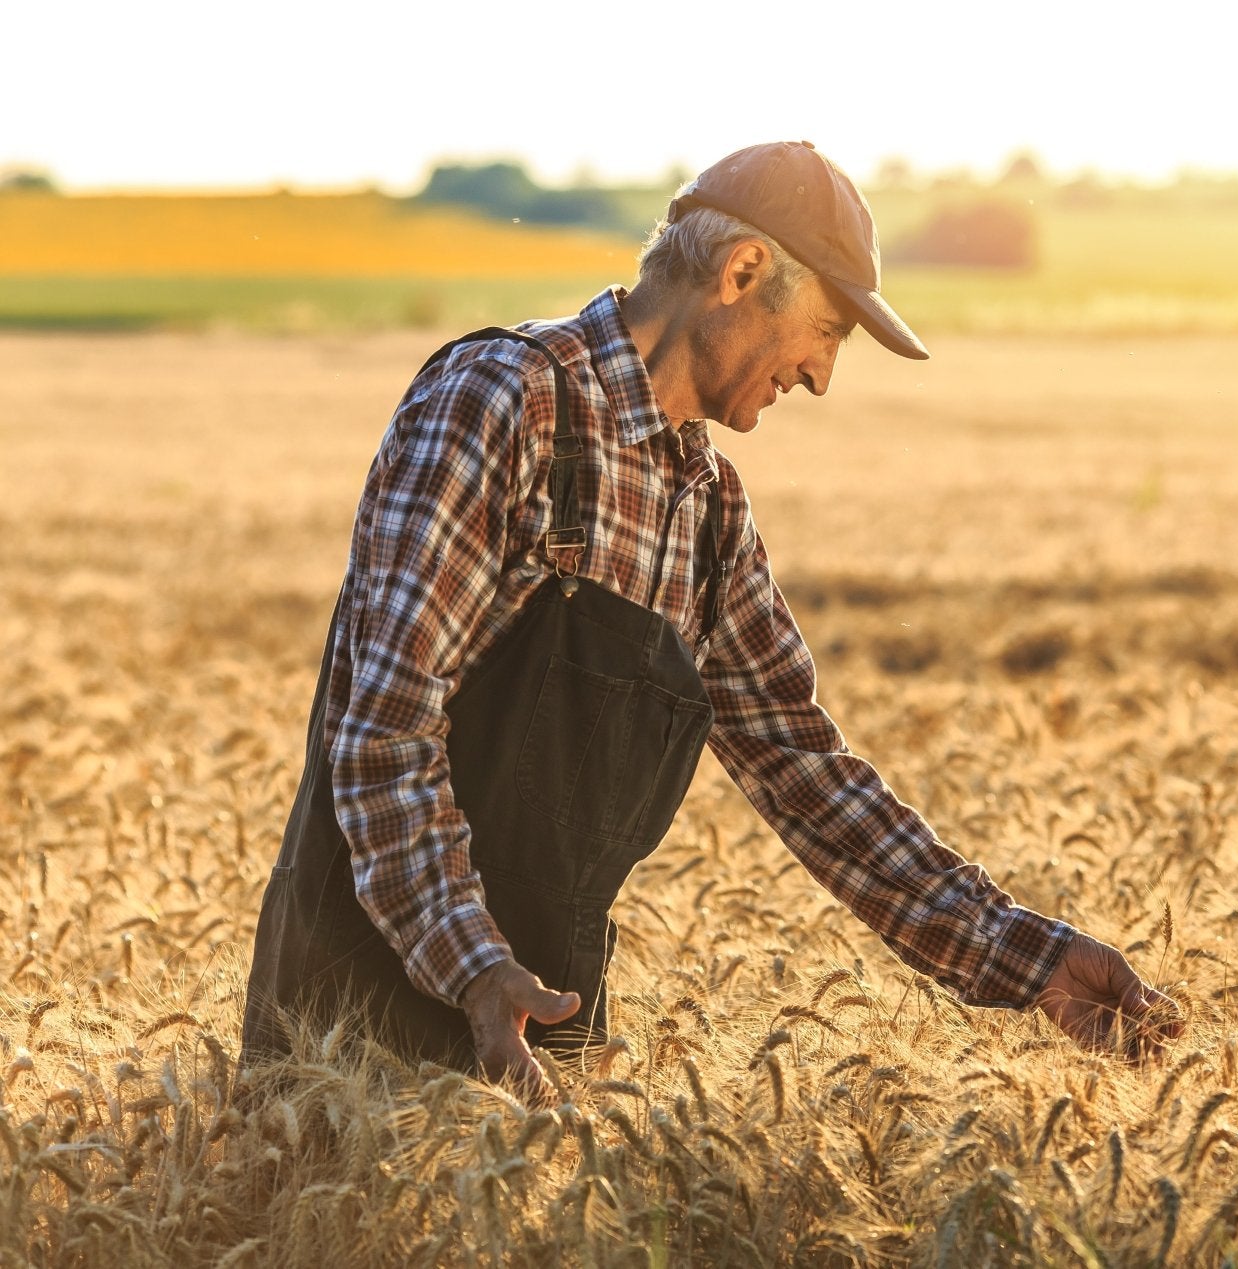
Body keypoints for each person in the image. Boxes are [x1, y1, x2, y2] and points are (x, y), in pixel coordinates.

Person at [241, 141, 1180, 1090]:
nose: (821, 377)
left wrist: (1031, 960)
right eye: (829, 332)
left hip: (538, 1031)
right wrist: (472, 963)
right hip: (354, 1030)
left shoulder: (707, 509)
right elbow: (385, 734)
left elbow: (803, 767)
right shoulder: (504, 400)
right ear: (742, 271)